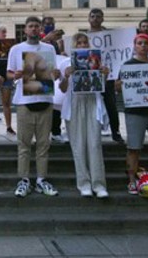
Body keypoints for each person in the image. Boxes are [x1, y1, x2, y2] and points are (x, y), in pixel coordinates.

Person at [7, 16, 59, 198]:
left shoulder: (50, 49)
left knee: (44, 144)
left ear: (41, 29)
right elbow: (9, 73)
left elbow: (54, 73)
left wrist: (56, 74)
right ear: (25, 29)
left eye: (37, 26)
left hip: (45, 100)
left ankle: (41, 179)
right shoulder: (16, 49)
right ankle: (24, 179)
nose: (34, 29)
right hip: (24, 102)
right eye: (31, 26)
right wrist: (16, 75)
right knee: (24, 144)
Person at [115, 34, 148, 195]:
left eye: (146, 43)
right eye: (140, 43)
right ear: (135, 46)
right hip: (135, 112)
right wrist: (120, 83)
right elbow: (117, 88)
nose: (143, 46)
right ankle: (132, 181)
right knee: (133, 148)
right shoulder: (127, 65)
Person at [60, 33, 109, 198]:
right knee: (78, 145)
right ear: (73, 45)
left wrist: (105, 73)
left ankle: (99, 184)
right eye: (78, 43)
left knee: (94, 144)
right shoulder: (66, 63)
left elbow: (102, 85)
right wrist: (66, 75)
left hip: (92, 102)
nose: (82, 45)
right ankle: (84, 184)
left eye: (84, 42)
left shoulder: (96, 61)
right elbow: (61, 88)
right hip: (74, 103)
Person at [87, 8, 124, 144]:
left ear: (102, 19)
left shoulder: (111, 36)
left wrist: (118, 77)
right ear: (89, 19)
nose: (95, 18)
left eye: (98, 16)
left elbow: (119, 56)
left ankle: (116, 132)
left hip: (108, 76)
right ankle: (91, 132)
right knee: (90, 105)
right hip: (90, 77)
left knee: (111, 105)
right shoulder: (84, 37)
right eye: (93, 16)